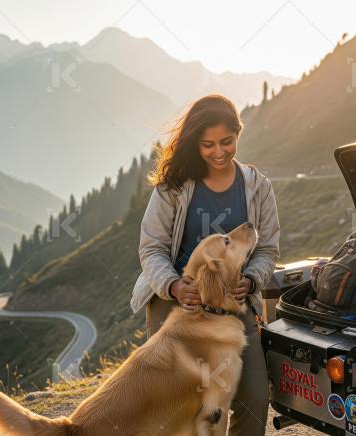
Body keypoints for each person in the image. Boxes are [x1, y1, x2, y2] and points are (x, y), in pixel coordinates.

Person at [130, 94, 280, 435]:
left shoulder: (257, 187)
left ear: (238, 134)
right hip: (175, 303)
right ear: (195, 142)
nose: (218, 152)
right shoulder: (173, 187)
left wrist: (252, 280)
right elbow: (152, 248)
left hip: (233, 302)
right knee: (182, 406)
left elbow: (268, 249)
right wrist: (173, 285)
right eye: (207, 144)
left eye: (226, 141)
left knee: (254, 396)